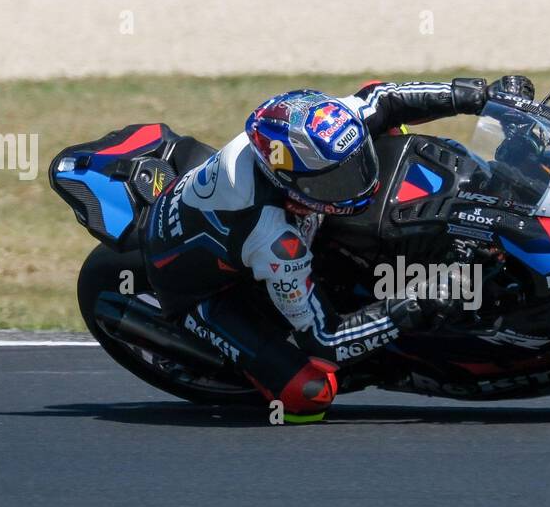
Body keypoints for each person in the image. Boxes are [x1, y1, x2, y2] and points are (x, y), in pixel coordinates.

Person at [142, 77, 515, 423]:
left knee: (376, 113)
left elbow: (383, 98)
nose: (357, 180)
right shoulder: (273, 239)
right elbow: (325, 342)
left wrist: (478, 96)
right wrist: (417, 301)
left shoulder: (322, 132)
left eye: (355, 164)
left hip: (256, 222)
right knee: (310, 394)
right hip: (200, 291)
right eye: (335, 181)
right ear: (288, 185)